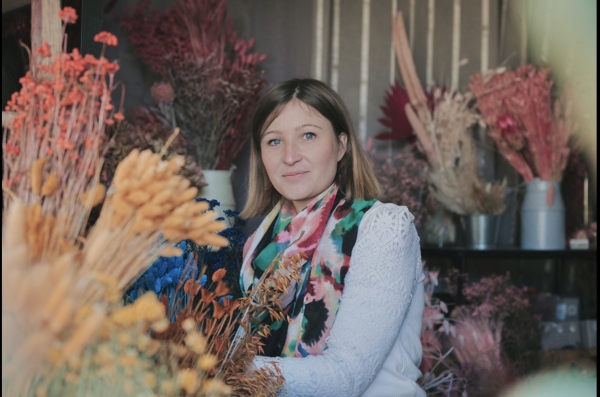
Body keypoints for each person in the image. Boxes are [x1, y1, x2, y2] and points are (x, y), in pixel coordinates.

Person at [239, 78, 426, 397]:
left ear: (341, 145)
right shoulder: (259, 242)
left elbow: (346, 377)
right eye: (274, 141)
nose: (289, 156)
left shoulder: (383, 227)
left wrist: (215, 369)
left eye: (307, 135)